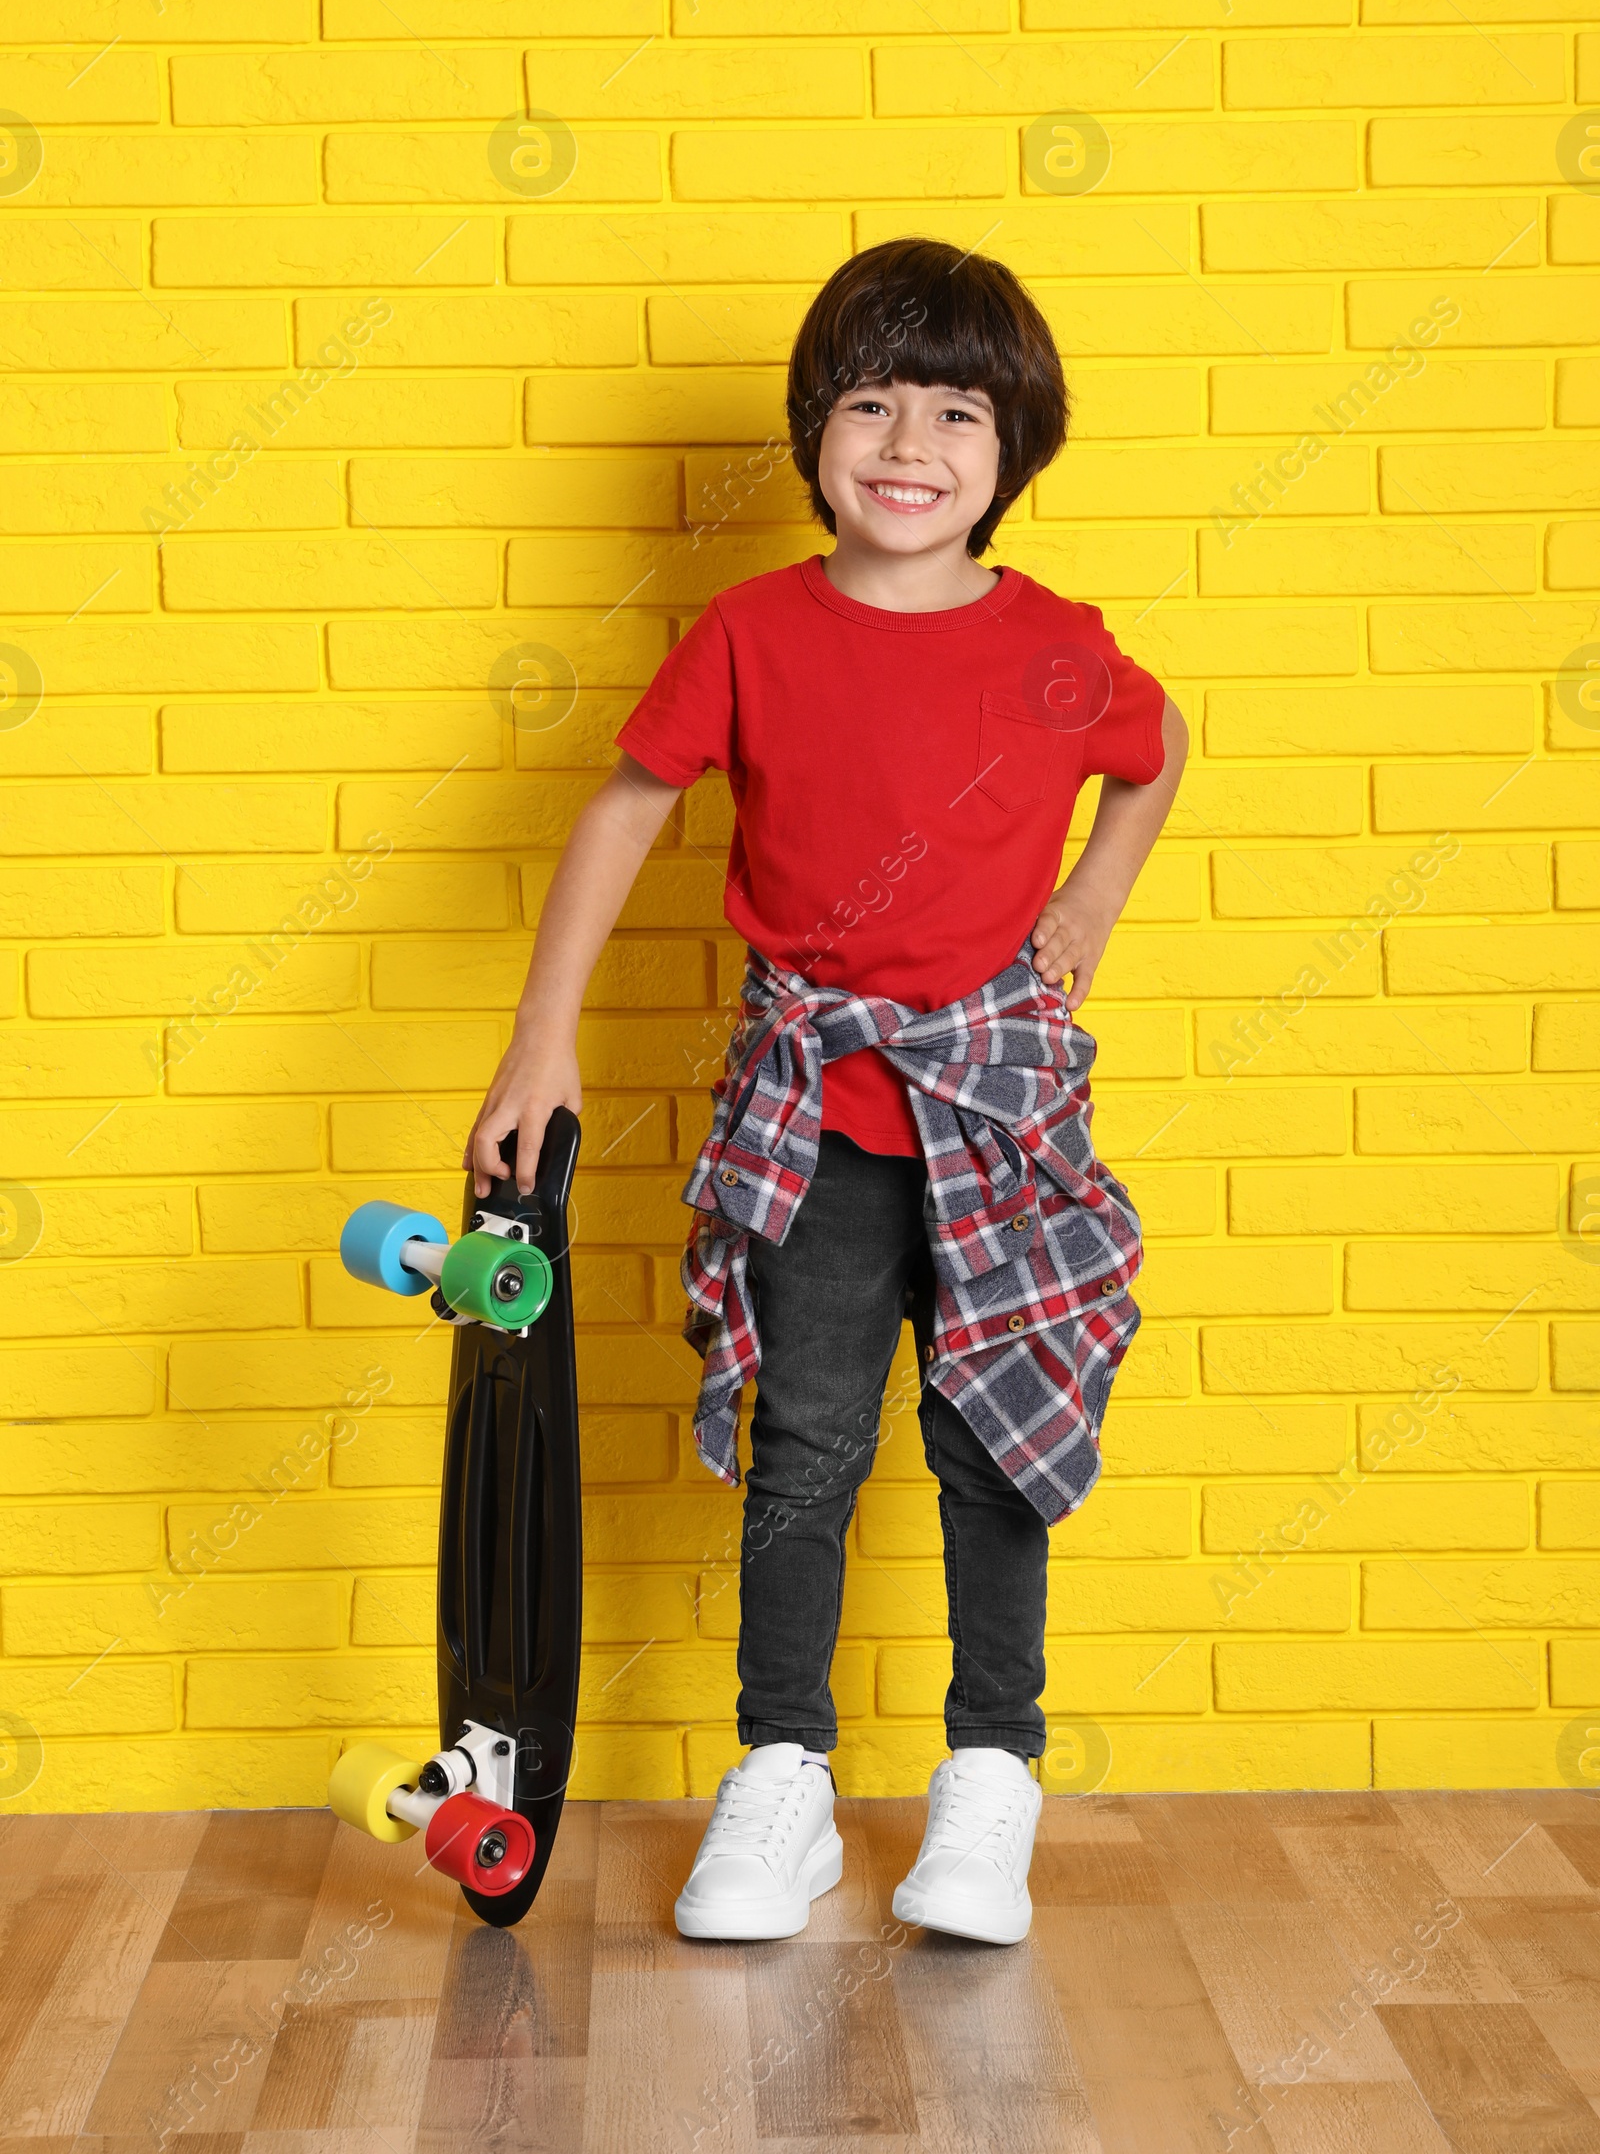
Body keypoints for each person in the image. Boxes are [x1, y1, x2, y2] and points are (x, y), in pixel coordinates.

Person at [465, 237, 1188, 1947]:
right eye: (870, 403)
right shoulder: (750, 631)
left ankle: (989, 1783)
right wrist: (539, 1039)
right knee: (804, 1445)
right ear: (816, 434)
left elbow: (1153, 760)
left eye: (955, 410)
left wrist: (1088, 903)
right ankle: (782, 1778)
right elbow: (622, 812)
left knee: (995, 1441)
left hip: (1000, 1110)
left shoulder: (1059, 648)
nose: (908, 442)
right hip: (817, 1111)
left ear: (1015, 448)